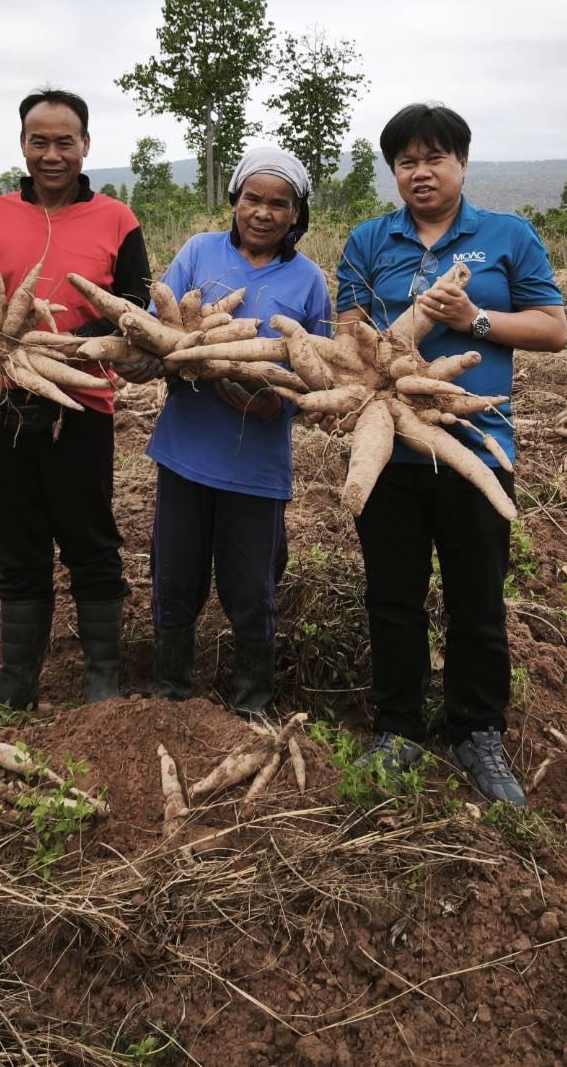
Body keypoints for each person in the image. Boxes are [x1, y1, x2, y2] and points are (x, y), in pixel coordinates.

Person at [335, 103, 567, 804]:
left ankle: (477, 730)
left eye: (434, 157)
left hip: (476, 447)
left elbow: (554, 329)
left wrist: (477, 320)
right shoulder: (368, 240)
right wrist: (404, 336)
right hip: (388, 446)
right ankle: (399, 727)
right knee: (392, 597)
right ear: (394, 172)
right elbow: (348, 341)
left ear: (462, 163)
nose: (421, 172)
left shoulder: (508, 235)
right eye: (406, 161)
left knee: (477, 599)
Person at [0, 88, 152, 709]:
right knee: (15, 543)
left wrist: (64, 347)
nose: (52, 154)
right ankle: (17, 683)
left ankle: (102, 682)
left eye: (65, 141)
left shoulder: (117, 219)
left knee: (91, 541)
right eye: (40, 141)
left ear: (85, 145)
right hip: (3, 402)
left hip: (83, 403)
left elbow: (135, 308)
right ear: (23, 145)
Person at [144, 145, 331, 717]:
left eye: (279, 204)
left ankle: (252, 705)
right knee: (174, 581)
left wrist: (281, 407)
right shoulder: (198, 252)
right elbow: (156, 328)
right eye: (253, 198)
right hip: (184, 452)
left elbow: (321, 374)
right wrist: (170, 356)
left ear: (296, 214)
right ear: (235, 200)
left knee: (252, 590)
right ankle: (171, 696)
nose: (263, 213)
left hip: (257, 467)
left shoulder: (308, 280)